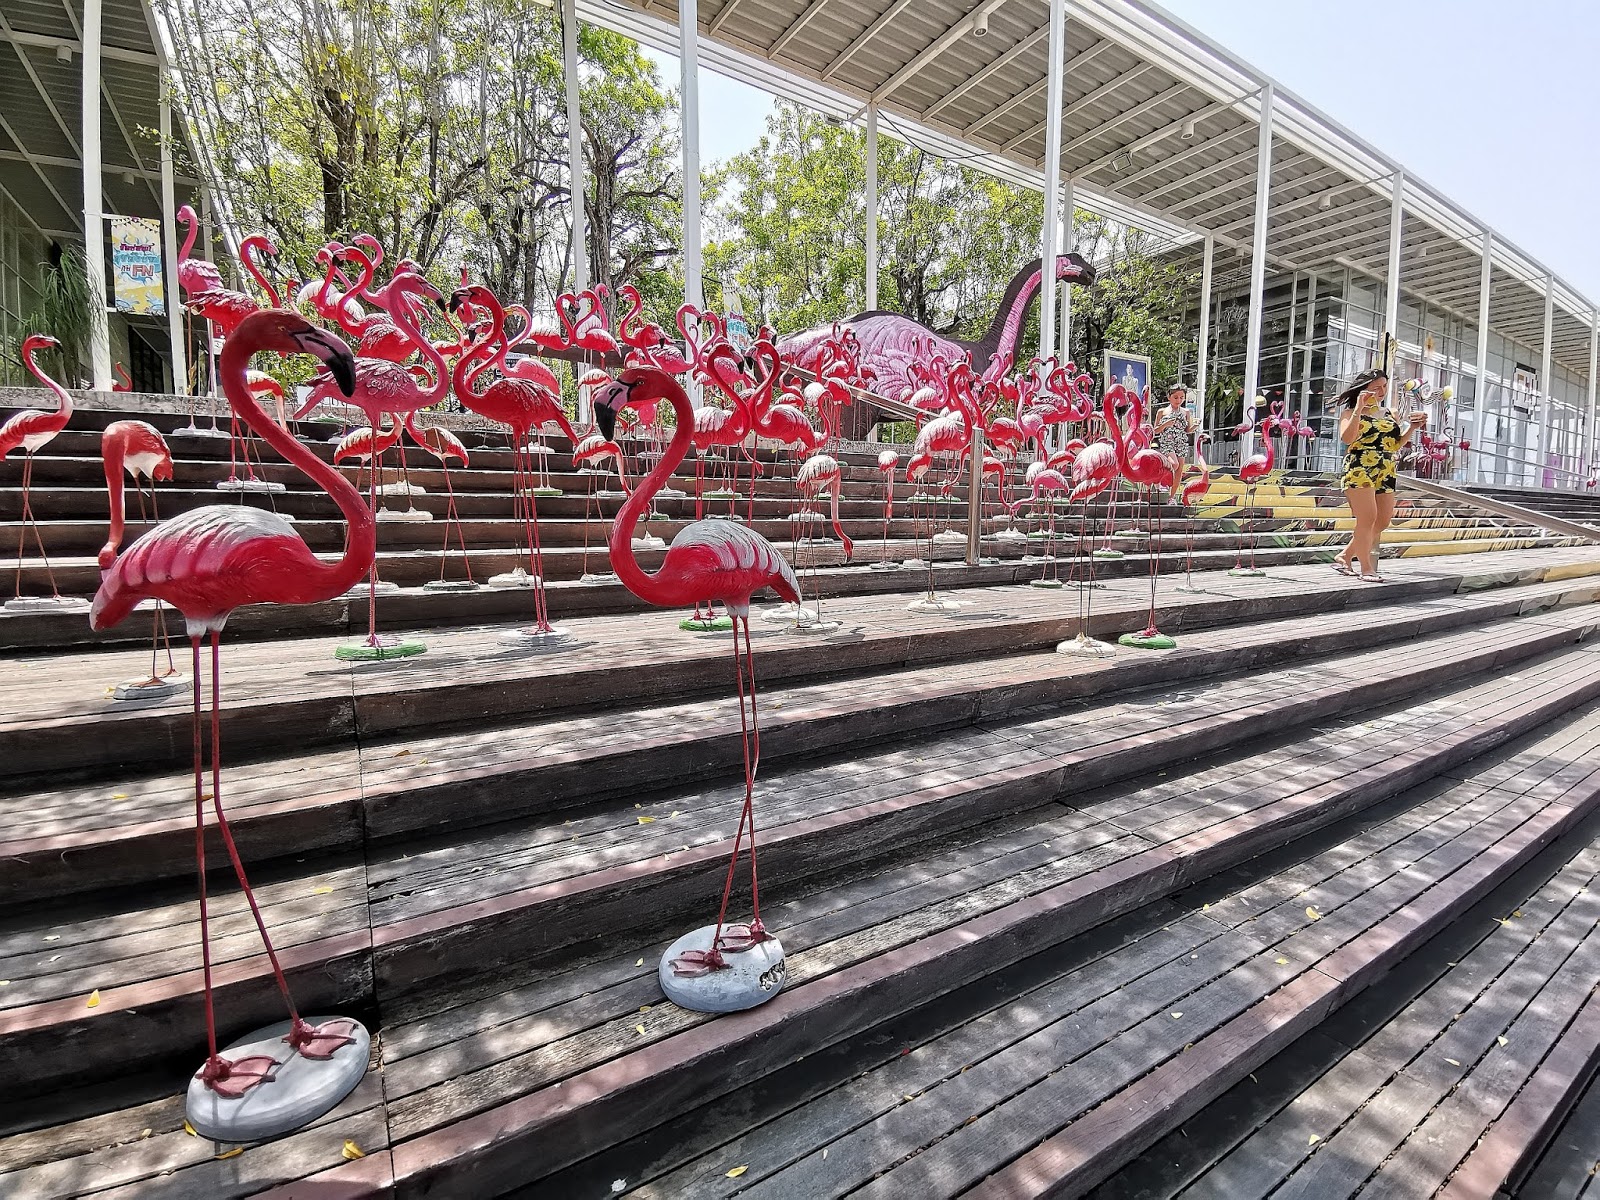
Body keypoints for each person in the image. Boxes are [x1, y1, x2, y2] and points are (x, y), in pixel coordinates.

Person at [1334, 369, 1426, 582]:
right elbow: (1347, 439)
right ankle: (1366, 568)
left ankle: (1344, 556)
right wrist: (1358, 408)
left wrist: (1412, 427)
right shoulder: (1349, 413)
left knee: (1383, 520)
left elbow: (1394, 445)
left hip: (1385, 468)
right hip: (1359, 466)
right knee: (1367, 518)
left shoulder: (1389, 413)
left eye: (1384, 386)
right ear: (1363, 388)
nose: (1381, 391)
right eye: (1376, 387)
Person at [1152, 384, 1197, 479]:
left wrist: (1195, 426)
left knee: (1178, 473)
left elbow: (1188, 430)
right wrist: (1165, 424)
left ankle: (1172, 493)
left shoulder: (1186, 412)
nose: (1179, 400)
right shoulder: (1162, 411)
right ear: (1169, 397)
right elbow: (1155, 431)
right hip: (1167, 443)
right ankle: (1157, 476)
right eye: (1176, 397)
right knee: (1174, 464)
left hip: (1181, 444)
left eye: (1182, 398)